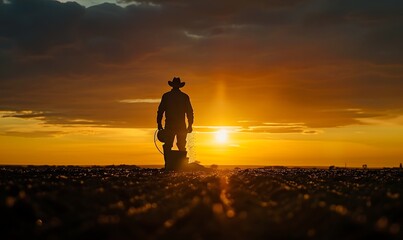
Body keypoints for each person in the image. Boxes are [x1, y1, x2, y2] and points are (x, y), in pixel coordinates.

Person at [157, 77, 194, 155]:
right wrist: (190, 124)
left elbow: (160, 111)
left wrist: (159, 123)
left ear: (172, 85)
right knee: (181, 145)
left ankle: (169, 164)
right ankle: (181, 164)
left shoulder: (166, 96)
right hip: (181, 125)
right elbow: (189, 112)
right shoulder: (184, 96)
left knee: (168, 145)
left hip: (170, 125)